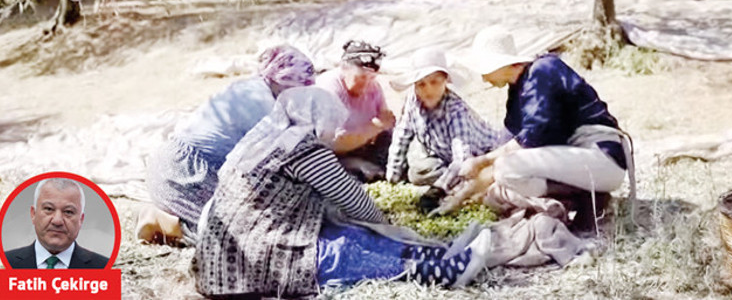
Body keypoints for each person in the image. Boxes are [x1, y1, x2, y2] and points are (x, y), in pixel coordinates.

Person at [193, 86, 491, 298]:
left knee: (344, 233)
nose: (334, 131)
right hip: (252, 266)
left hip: (219, 262)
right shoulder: (301, 148)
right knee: (345, 248)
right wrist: (388, 229)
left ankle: (437, 252)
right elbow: (355, 200)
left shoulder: (262, 139)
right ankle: (440, 270)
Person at [461, 26, 635, 232]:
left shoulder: (541, 72)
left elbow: (535, 136)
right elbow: (509, 139)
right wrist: (468, 188)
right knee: (500, 182)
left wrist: (482, 161)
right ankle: (577, 199)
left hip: (601, 157)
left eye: (485, 70)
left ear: (499, 63)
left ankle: (587, 197)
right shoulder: (520, 88)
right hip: (579, 161)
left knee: (506, 169)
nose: (483, 78)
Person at [139, 45, 316, 244]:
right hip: (183, 173)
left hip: (172, 166)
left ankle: (170, 215)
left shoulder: (250, 87)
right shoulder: (262, 104)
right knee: (244, 239)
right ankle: (160, 220)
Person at [386, 47, 505, 212]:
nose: (428, 90)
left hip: (480, 158)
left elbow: (462, 159)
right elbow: (402, 135)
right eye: (421, 84)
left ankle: (455, 188)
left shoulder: (456, 112)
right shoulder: (413, 101)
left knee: (472, 183)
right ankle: (450, 184)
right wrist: (392, 177)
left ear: (445, 82)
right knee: (417, 172)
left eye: (434, 82)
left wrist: (438, 190)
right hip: (444, 156)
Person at [316, 40, 396, 182]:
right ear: (344, 69)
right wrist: (374, 128)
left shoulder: (373, 86)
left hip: (360, 144)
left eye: (371, 77)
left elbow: (387, 121)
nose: (366, 84)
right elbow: (332, 143)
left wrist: (381, 127)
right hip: (328, 154)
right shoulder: (329, 89)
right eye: (361, 77)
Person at [4, 178, 109, 269]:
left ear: (81, 220)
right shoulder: (7, 262)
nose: (57, 221)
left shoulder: (103, 268)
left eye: (68, 212)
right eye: (49, 209)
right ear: (33, 214)